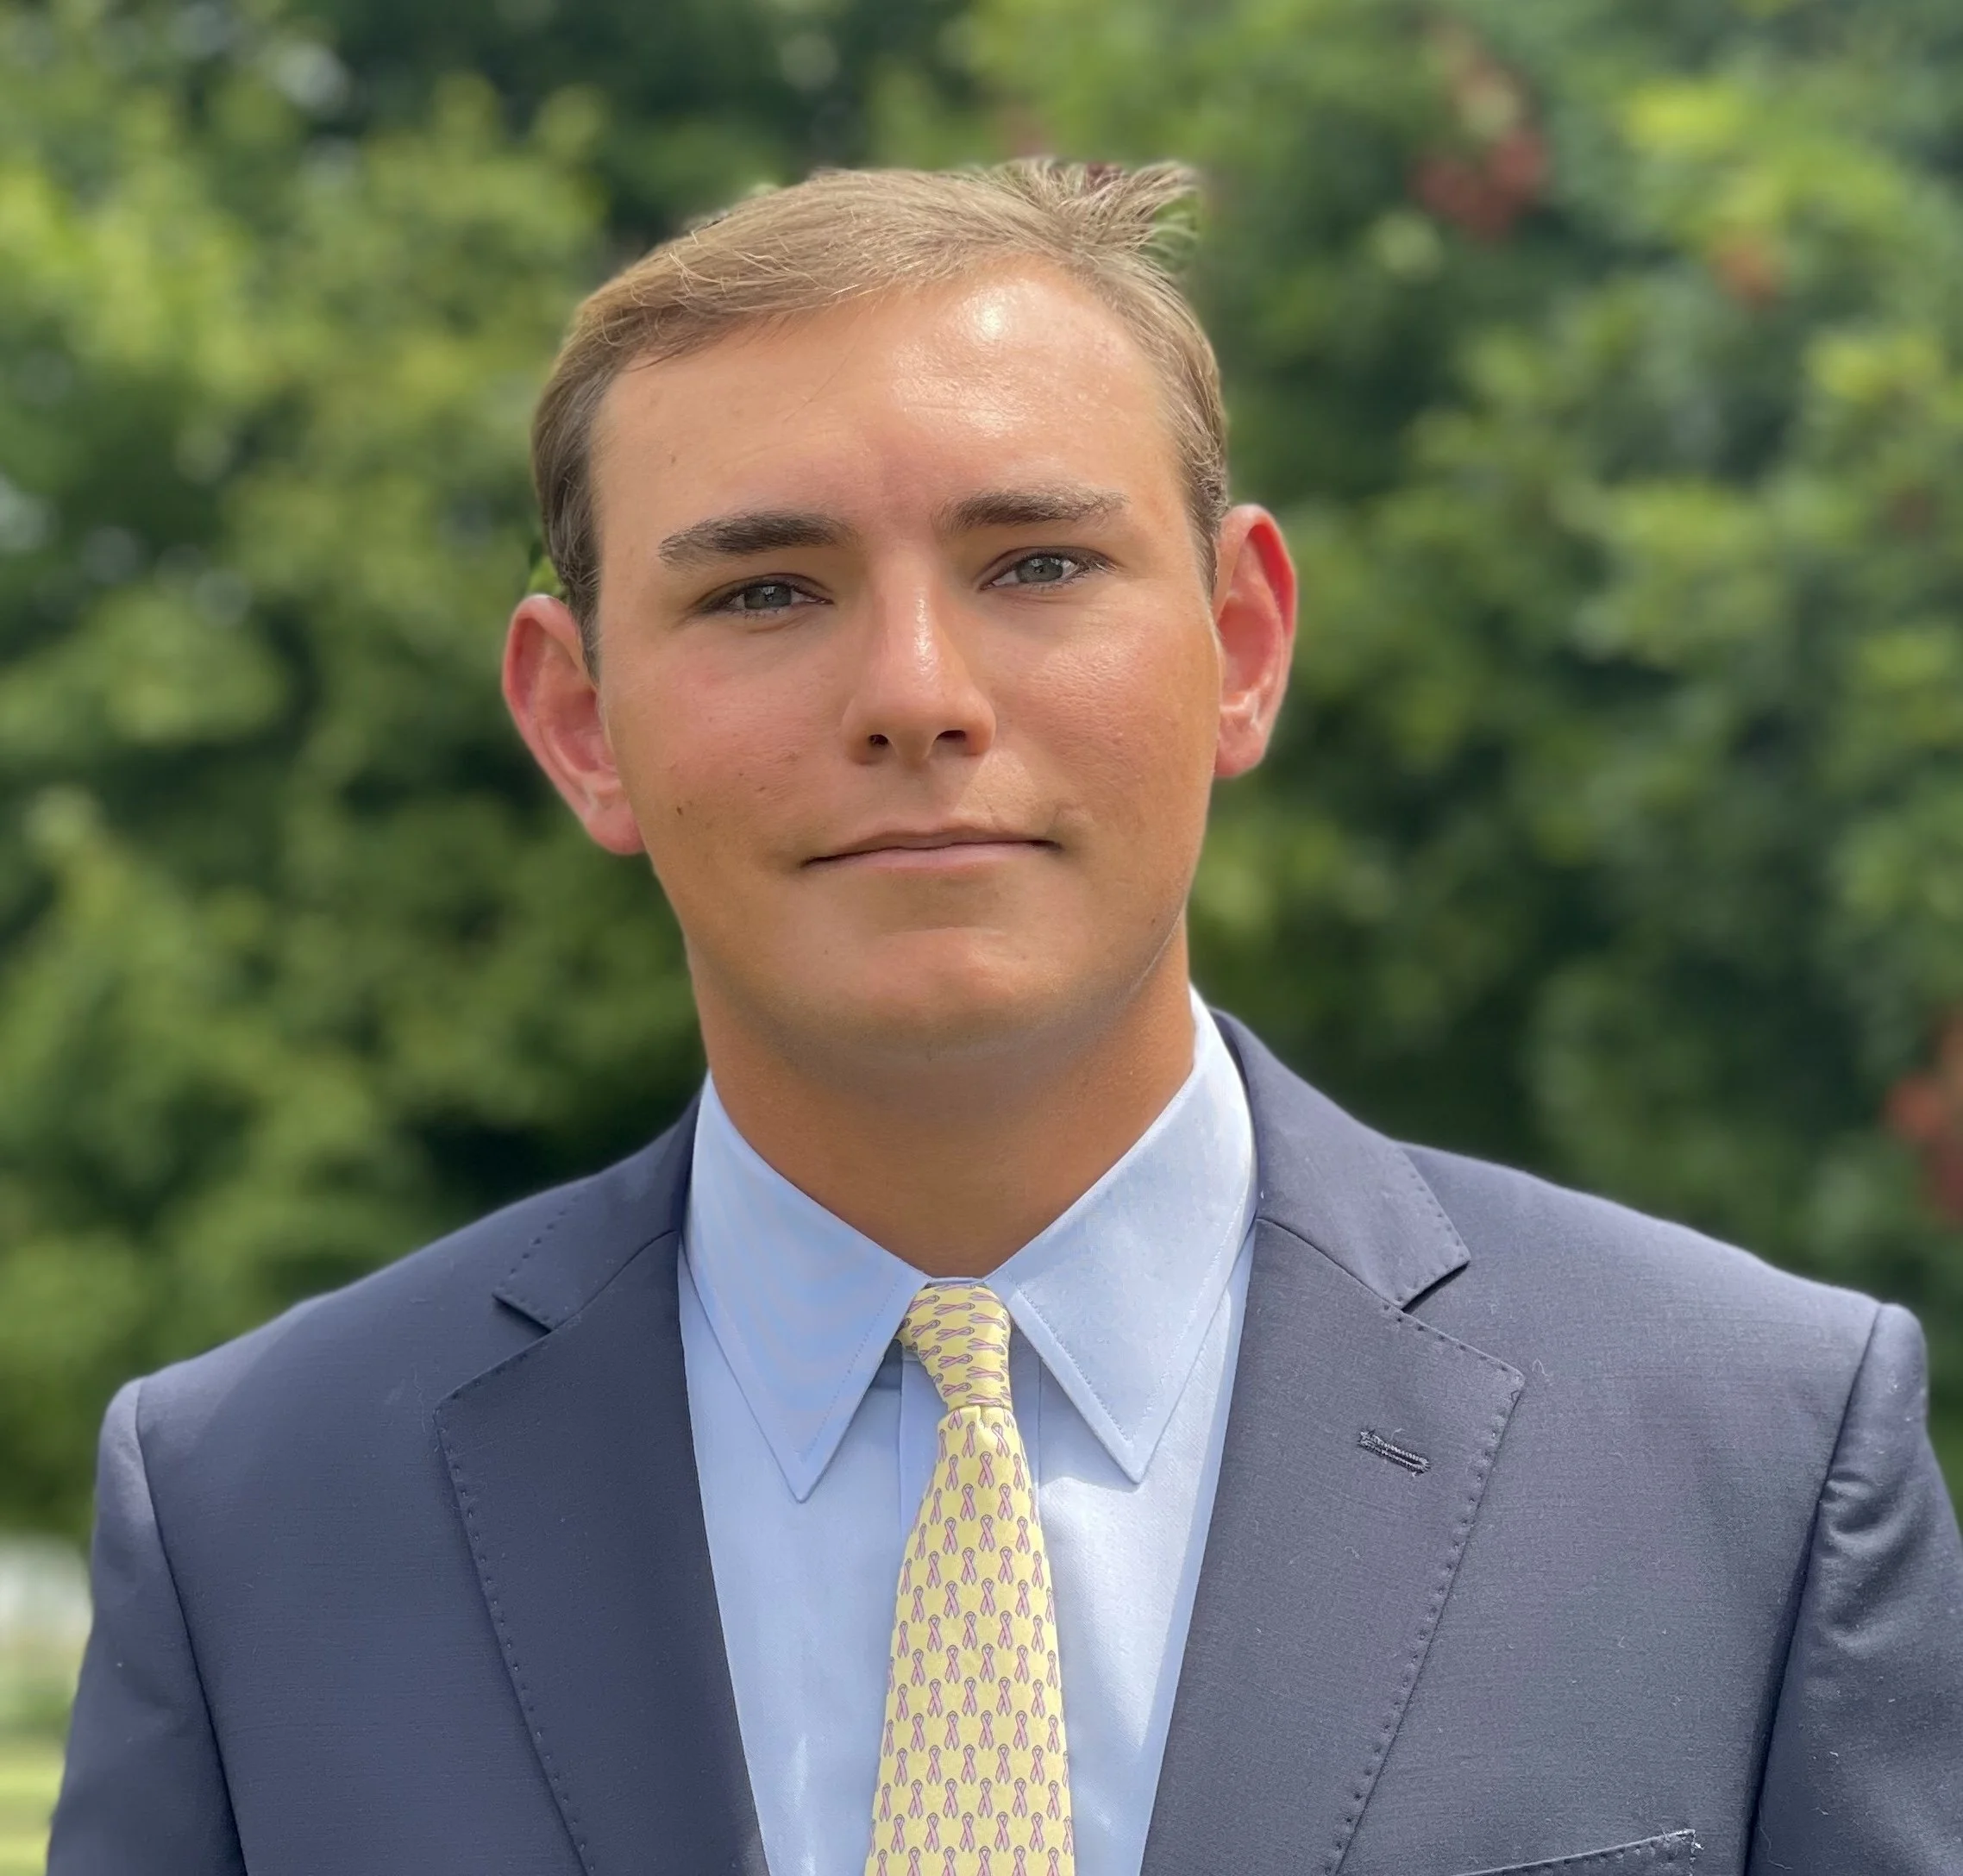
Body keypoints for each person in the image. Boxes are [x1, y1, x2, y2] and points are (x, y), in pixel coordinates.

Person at [49, 160, 1963, 1876]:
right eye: (764, 591)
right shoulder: (252, 1511)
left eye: (1035, 563)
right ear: (576, 719)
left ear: (1241, 644)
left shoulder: (1754, 1452)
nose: (915, 690)